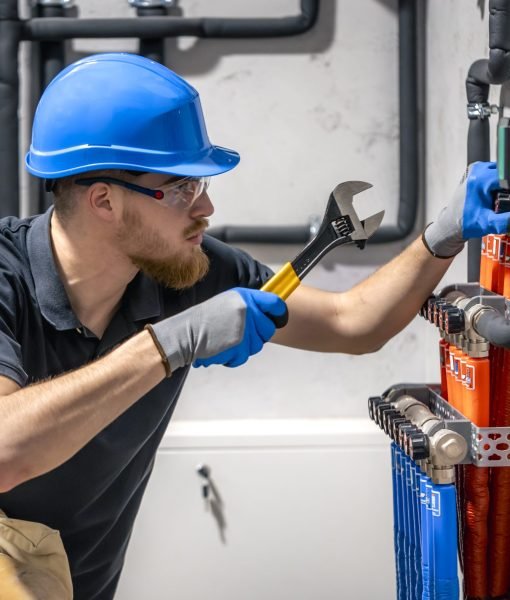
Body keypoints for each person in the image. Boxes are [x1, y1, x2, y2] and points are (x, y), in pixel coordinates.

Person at [0, 52, 506, 600]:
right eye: (181, 188)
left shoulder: (186, 273)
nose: (207, 206)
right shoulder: (6, 275)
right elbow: (5, 451)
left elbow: (351, 322)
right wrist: (170, 344)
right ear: (104, 201)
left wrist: (442, 236)